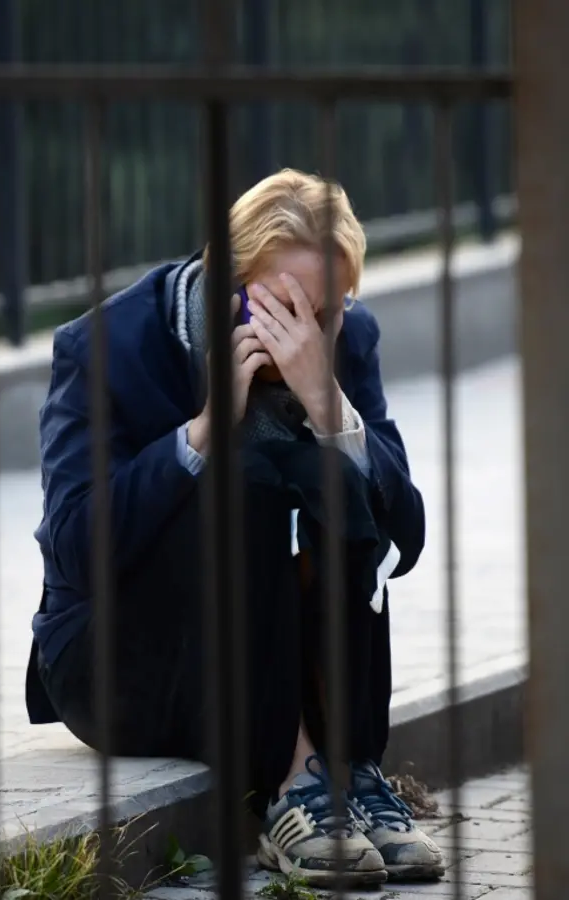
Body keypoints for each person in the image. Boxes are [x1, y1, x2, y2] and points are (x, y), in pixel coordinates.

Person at [26, 169, 444, 888]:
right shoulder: (109, 347)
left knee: (334, 476)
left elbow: (405, 536)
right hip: (120, 654)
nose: (302, 334)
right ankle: (297, 780)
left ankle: (348, 766)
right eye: (282, 306)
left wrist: (332, 408)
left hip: (257, 640)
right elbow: (73, 550)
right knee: (245, 481)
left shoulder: (347, 341)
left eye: (326, 312)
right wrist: (201, 432)